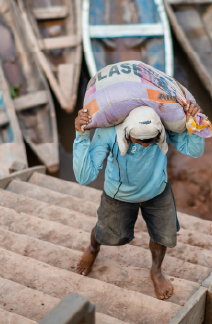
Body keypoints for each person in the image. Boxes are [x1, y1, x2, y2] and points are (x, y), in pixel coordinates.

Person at [73, 103, 204, 300]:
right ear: (126, 131)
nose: (145, 144)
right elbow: (84, 176)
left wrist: (195, 123)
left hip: (157, 189)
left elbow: (195, 151)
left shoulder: (165, 128)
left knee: (162, 236)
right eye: (139, 139)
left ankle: (157, 271)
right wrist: (81, 135)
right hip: (119, 194)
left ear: (159, 131)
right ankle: (93, 247)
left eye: (151, 139)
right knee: (107, 232)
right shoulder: (108, 133)